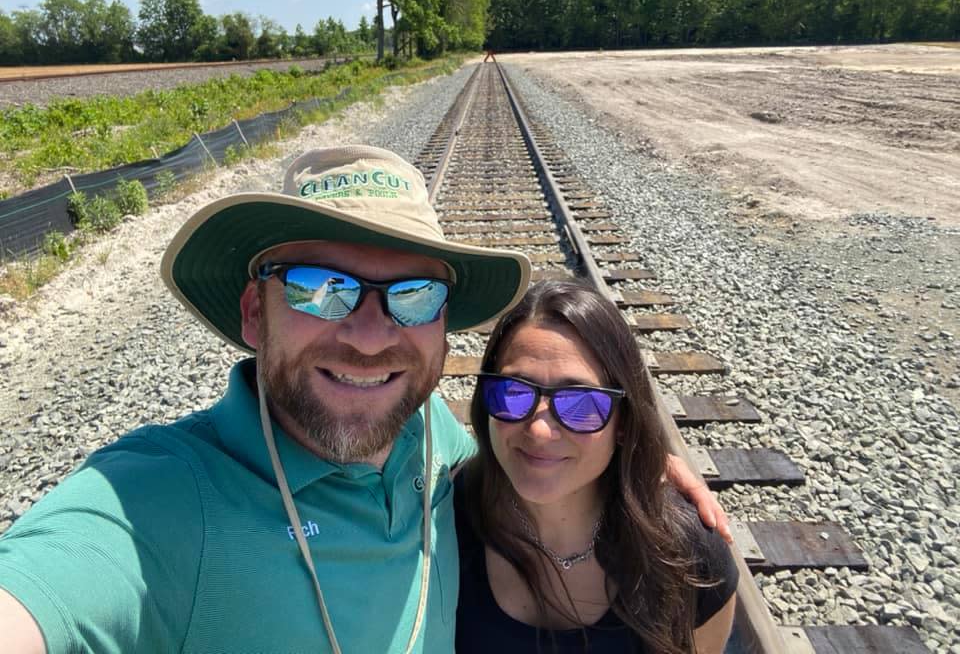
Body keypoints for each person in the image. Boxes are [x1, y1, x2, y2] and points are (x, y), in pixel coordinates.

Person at [0, 145, 729, 653]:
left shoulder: (433, 442)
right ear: (256, 312)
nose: (373, 339)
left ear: (443, 333)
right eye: (325, 289)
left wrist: (631, 456)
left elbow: (532, 447)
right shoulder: (158, 501)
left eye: (414, 297)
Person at [456, 279, 738, 653]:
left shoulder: (690, 557)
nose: (540, 430)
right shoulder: (443, 520)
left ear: (623, 422)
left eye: (581, 403)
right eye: (513, 392)